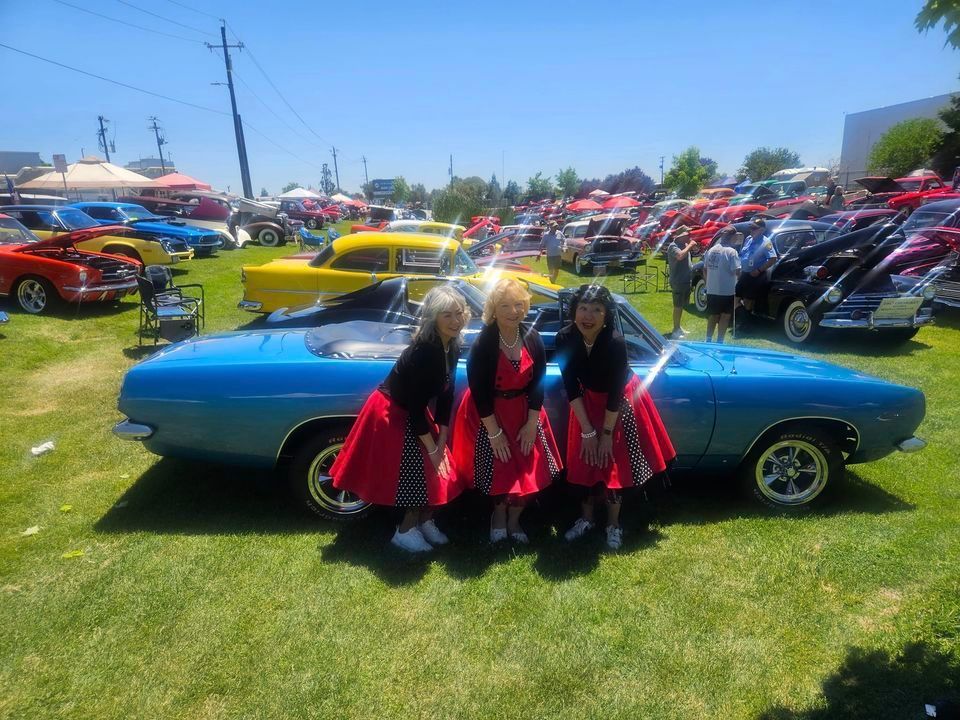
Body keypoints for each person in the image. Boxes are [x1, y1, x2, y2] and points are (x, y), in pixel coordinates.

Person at [330, 286, 469, 554]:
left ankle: (426, 521)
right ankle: (404, 531)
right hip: (392, 411)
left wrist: (442, 437)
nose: (455, 321)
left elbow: (446, 394)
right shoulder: (423, 352)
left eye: (459, 313)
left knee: (441, 469)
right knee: (417, 472)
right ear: (432, 318)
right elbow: (416, 408)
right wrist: (432, 449)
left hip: (411, 411)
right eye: (447, 315)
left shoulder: (452, 343)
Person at [556, 285, 676, 550]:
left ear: (606, 315)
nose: (588, 315)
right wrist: (588, 432)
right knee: (584, 461)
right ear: (574, 311)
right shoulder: (564, 337)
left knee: (614, 463)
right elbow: (571, 385)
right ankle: (586, 519)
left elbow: (614, 393)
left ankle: (613, 524)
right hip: (585, 404)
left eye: (597, 310)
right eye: (583, 308)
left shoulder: (615, 343)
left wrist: (606, 435)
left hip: (619, 403)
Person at [452, 277, 562, 544]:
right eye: (504, 306)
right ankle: (498, 518)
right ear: (493, 309)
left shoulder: (531, 336)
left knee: (528, 468)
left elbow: (538, 383)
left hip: (525, 413)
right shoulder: (484, 343)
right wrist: (494, 433)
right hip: (489, 414)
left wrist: (531, 423)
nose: (513, 312)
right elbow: (479, 391)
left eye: (518, 304)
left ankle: (514, 521)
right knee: (499, 469)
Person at [703, 226, 741, 343]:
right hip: (727, 290)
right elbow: (737, 270)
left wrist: (708, 282)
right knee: (725, 316)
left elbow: (704, 269)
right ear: (733, 237)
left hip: (712, 289)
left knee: (713, 315)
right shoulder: (731, 252)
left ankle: (708, 339)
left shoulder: (712, 250)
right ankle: (720, 341)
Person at [736, 217, 777, 315]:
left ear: (762, 230)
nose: (751, 230)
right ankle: (742, 316)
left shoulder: (766, 242)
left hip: (755, 275)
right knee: (736, 297)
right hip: (744, 273)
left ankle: (745, 322)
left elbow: (773, 259)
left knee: (748, 300)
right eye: (751, 228)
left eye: (754, 228)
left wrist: (759, 270)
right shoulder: (748, 239)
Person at [666, 227, 697, 338]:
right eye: (687, 234)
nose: (689, 235)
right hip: (678, 280)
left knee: (683, 305)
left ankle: (678, 327)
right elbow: (680, 256)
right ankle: (675, 330)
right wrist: (690, 246)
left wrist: (691, 246)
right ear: (681, 235)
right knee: (678, 305)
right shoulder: (673, 246)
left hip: (686, 279)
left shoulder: (684, 245)